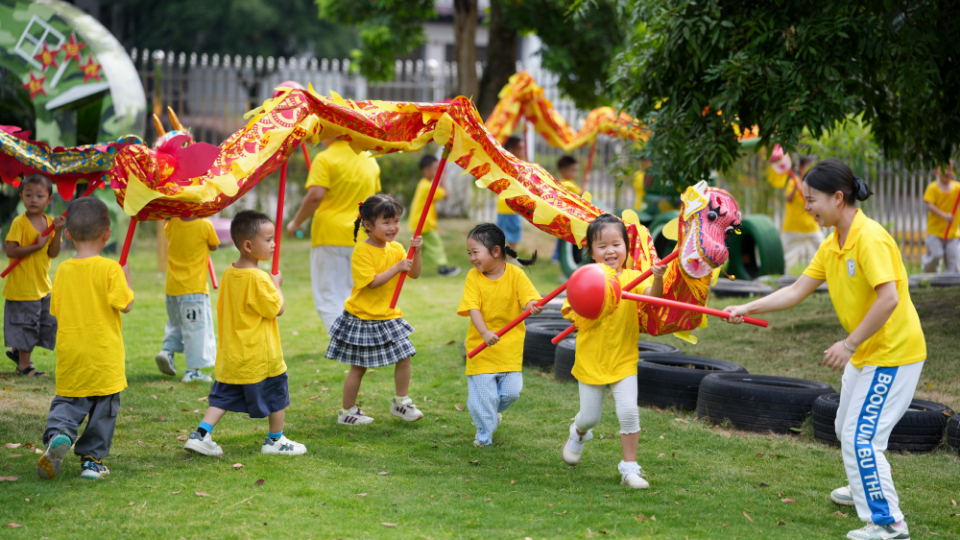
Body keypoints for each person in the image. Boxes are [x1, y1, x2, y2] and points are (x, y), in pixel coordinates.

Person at [724, 159, 924, 540]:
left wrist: (849, 344)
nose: (807, 207)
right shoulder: (833, 244)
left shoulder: (870, 238)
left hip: (893, 354)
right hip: (869, 353)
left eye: (811, 199)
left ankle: (890, 524)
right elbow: (797, 290)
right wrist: (746, 308)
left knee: (861, 437)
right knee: (843, 425)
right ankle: (864, 485)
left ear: (837, 198)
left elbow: (889, 299)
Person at [183, 210, 306, 457]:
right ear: (248, 245)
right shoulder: (259, 278)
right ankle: (275, 440)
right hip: (260, 356)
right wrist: (276, 285)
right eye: (268, 239)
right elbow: (277, 309)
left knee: (222, 398)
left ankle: (201, 434)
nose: (274, 244)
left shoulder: (229, 272)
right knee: (277, 394)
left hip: (233, 354)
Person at [559, 214, 666, 489]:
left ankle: (630, 469)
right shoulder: (584, 278)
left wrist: (657, 279)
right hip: (591, 360)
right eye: (602, 246)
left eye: (616, 244)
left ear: (626, 248)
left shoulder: (633, 277)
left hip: (623, 360)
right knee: (590, 416)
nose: (610, 251)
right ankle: (578, 432)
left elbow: (653, 298)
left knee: (629, 412)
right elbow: (573, 310)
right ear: (591, 252)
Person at [36, 198, 134, 480]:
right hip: (104, 356)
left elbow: (56, 309)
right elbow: (124, 304)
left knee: (67, 403)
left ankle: (60, 433)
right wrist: (126, 278)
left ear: (67, 234)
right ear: (108, 233)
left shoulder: (64, 270)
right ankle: (92, 461)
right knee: (103, 410)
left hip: (71, 354)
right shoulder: (110, 269)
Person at [326, 195, 424, 425]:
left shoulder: (398, 248)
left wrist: (416, 252)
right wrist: (397, 267)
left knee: (405, 356)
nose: (393, 227)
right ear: (368, 225)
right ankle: (347, 411)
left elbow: (414, 273)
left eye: (396, 221)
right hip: (363, 316)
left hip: (388, 315)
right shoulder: (362, 251)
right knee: (358, 367)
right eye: (386, 222)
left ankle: (401, 402)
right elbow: (371, 282)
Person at [457, 223, 541, 446]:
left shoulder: (516, 275)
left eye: (475, 252)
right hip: (482, 347)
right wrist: (484, 332)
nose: (472, 258)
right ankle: (484, 436)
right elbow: (472, 307)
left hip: (509, 348)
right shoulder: (473, 277)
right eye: (470, 253)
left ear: (495, 251)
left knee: (511, 393)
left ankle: (486, 409)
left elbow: (529, 297)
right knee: (488, 398)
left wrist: (533, 304)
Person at [286, 137, 381, 331]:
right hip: (362, 236)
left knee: (329, 296)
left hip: (329, 235)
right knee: (353, 293)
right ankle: (358, 338)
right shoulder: (369, 157)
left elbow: (315, 195)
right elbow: (375, 199)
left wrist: (295, 223)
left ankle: (345, 342)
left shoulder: (325, 158)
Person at [3, 174, 65, 376]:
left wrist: (58, 231)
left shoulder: (49, 223)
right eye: (28, 195)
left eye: (39, 196)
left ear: (49, 199)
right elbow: (10, 251)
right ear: (21, 197)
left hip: (42, 286)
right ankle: (24, 366)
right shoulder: (19, 223)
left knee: (46, 323)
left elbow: (53, 253)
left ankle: (18, 350)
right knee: (27, 325)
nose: (33, 200)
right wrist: (35, 246)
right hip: (23, 287)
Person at [155, 217, 220, 382]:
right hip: (193, 290)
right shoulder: (205, 225)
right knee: (196, 330)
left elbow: (170, 233)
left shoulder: (172, 224)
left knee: (176, 324)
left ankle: (167, 350)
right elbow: (214, 246)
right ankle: (193, 371)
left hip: (173, 288)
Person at [409, 154, 460, 277]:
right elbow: (446, 195)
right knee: (436, 245)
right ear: (426, 171)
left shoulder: (423, 184)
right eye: (436, 168)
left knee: (417, 249)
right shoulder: (427, 186)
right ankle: (443, 268)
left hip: (419, 222)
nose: (439, 171)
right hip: (424, 223)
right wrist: (443, 178)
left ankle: (402, 267)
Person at [782, 155, 824, 274]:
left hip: (811, 226)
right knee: (786, 258)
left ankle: (824, 276)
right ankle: (781, 278)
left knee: (824, 251)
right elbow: (787, 198)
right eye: (808, 166)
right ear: (800, 168)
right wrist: (795, 189)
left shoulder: (815, 185)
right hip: (793, 227)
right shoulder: (793, 182)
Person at [921, 159, 959, 273]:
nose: (947, 172)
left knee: (954, 258)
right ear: (935, 171)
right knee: (936, 255)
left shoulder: (957, 188)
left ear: (954, 172)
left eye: (950, 169)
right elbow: (930, 205)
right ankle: (929, 277)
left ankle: (953, 284)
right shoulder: (932, 188)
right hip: (935, 232)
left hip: (952, 233)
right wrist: (945, 216)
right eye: (943, 168)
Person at [497, 136, 526, 251]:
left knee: (505, 234)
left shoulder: (510, 165)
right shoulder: (511, 166)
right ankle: (509, 257)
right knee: (511, 234)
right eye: (521, 149)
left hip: (508, 207)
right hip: (510, 207)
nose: (523, 152)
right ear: (511, 150)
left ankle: (507, 256)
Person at [552, 155, 581, 262]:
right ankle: (557, 257)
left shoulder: (566, 183)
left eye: (576, 170)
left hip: (566, 215)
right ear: (563, 171)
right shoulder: (566, 183)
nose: (575, 173)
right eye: (573, 170)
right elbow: (580, 195)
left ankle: (556, 257)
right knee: (563, 239)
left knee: (562, 238)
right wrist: (586, 182)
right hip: (566, 216)